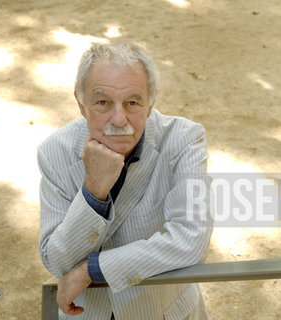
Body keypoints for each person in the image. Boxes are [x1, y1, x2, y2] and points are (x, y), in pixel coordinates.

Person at [38, 41, 213, 320]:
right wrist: (93, 191)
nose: (119, 119)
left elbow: (190, 238)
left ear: (151, 101)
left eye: (132, 102)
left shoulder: (184, 139)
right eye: (102, 102)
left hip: (165, 312)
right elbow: (57, 261)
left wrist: (91, 270)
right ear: (81, 103)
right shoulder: (54, 151)